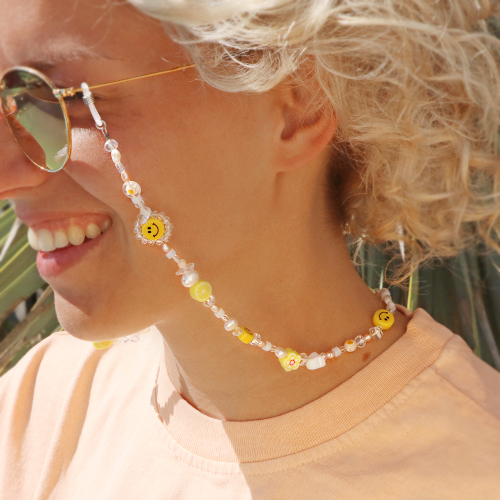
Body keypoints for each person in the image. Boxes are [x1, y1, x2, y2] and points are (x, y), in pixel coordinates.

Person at [1, 0, 500, 498]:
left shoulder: (474, 471)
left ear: (297, 106)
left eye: (54, 99)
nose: (6, 177)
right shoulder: (39, 413)